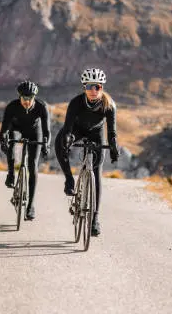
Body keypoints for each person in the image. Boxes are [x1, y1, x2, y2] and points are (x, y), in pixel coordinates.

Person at [55, 68, 119, 236]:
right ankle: (69, 179)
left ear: (101, 87)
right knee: (60, 140)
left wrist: (113, 147)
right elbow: (68, 128)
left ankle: (95, 219)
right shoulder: (76, 103)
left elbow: (112, 133)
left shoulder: (109, 105)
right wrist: (68, 141)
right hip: (77, 129)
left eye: (97, 86)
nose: (93, 90)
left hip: (96, 133)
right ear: (84, 87)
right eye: (89, 86)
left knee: (97, 171)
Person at [0, 80, 51, 220]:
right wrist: (3, 141)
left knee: (32, 165)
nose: (27, 101)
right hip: (17, 129)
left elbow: (46, 131)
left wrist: (46, 144)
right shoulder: (12, 107)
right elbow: (4, 129)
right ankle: (11, 174)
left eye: (30, 98)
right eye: (24, 98)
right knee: (11, 140)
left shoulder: (41, 107)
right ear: (19, 97)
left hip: (35, 132)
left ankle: (30, 206)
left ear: (34, 97)